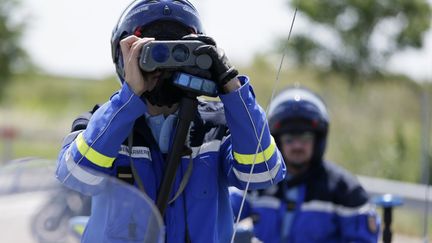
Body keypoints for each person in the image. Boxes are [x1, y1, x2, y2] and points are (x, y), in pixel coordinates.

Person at [55, 0, 285, 242]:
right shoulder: (100, 123)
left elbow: (263, 173)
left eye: (178, 52)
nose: (164, 66)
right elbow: (75, 177)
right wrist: (128, 99)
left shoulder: (219, 126)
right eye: (154, 53)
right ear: (123, 58)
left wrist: (231, 85)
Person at [230, 86, 380, 243]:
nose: (297, 146)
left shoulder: (346, 190)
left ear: (318, 140)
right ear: (276, 140)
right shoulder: (258, 181)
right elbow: (219, 214)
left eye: (305, 137)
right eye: (289, 138)